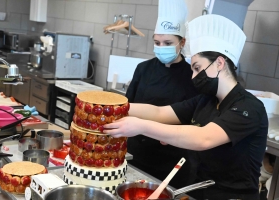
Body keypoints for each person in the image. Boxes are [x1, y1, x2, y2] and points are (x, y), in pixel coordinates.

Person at [104, 14, 268, 200]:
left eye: (197, 68)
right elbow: (159, 112)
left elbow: (203, 138)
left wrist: (140, 126)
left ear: (220, 63)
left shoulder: (249, 107)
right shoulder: (205, 100)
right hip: (199, 192)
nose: (193, 76)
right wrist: (113, 106)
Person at [125, 0, 198, 189]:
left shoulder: (193, 75)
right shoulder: (143, 69)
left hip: (172, 159)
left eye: (167, 43)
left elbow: (195, 117)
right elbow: (128, 106)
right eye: (157, 43)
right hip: (137, 152)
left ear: (182, 42)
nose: (161, 47)